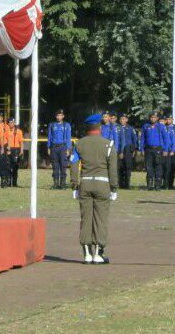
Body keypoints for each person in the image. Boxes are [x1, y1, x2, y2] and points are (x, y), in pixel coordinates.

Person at [70, 114, 117, 264]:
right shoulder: (108, 145)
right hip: (103, 185)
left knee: (86, 219)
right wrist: (114, 188)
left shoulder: (79, 144)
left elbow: (73, 165)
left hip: (85, 184)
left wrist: (74, 185)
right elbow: (113, 170)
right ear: (100, 128)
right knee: (100, 219)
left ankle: (86, 254)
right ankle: (98, 253)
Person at [140, 112, 167, 190]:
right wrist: (141, 149)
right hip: (148, 149)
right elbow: (142, 138)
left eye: (155, 117)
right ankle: (149, 185)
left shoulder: (161, 126)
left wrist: (165, 149)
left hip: (158, 149)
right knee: (149, 167)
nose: (153, 119)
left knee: (158, 166)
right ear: (149, 118)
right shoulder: (145, 126)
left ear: (157, 118)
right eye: (152, 117)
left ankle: (157, 185)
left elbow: (166, 139)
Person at [47, 110, 72, 189]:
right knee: (55, 166)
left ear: (63, 116)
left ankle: (63, 184)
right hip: (54, 147)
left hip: (63, 147)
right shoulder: (52, 125)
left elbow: (68, 137)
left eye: (60, 115)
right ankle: (56, 184)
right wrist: (48, 147)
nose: (58, 117)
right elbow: (49, 137)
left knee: (63, 166)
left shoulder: (66, 125)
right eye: (57, 115)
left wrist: (68, 149)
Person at [114, 114, 137, 189]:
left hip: (128, 149)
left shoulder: (130, 128)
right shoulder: (116, 128)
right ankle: (120, 183)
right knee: (120, 167)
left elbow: (134, 139)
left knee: (127, 166)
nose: (122, 120)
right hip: (119, 148)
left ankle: (127, 184)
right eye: (121, 119)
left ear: (127, 120)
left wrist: (133, 149)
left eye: (123, 119)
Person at [163, 116, 175, 189]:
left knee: (173, 168)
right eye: (167, 119)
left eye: (169, 119)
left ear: (172, 120)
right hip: (165, 151)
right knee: (166, 168)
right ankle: (166, 184)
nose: (168, 120)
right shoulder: (164, 128)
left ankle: (171, 184)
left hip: (174, 151)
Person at [6, 117, 24, 187]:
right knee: (8, 167)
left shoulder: (19, 131)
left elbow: (21, 142)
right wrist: (7, 149)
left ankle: (14, 183)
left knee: (15, 167)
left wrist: (21, 150)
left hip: (16, 149)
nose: (11, 124)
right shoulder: (7, 131)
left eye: (13, 122)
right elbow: (5, 141)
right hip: (9, 149)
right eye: (10, 122)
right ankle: (8, 182)